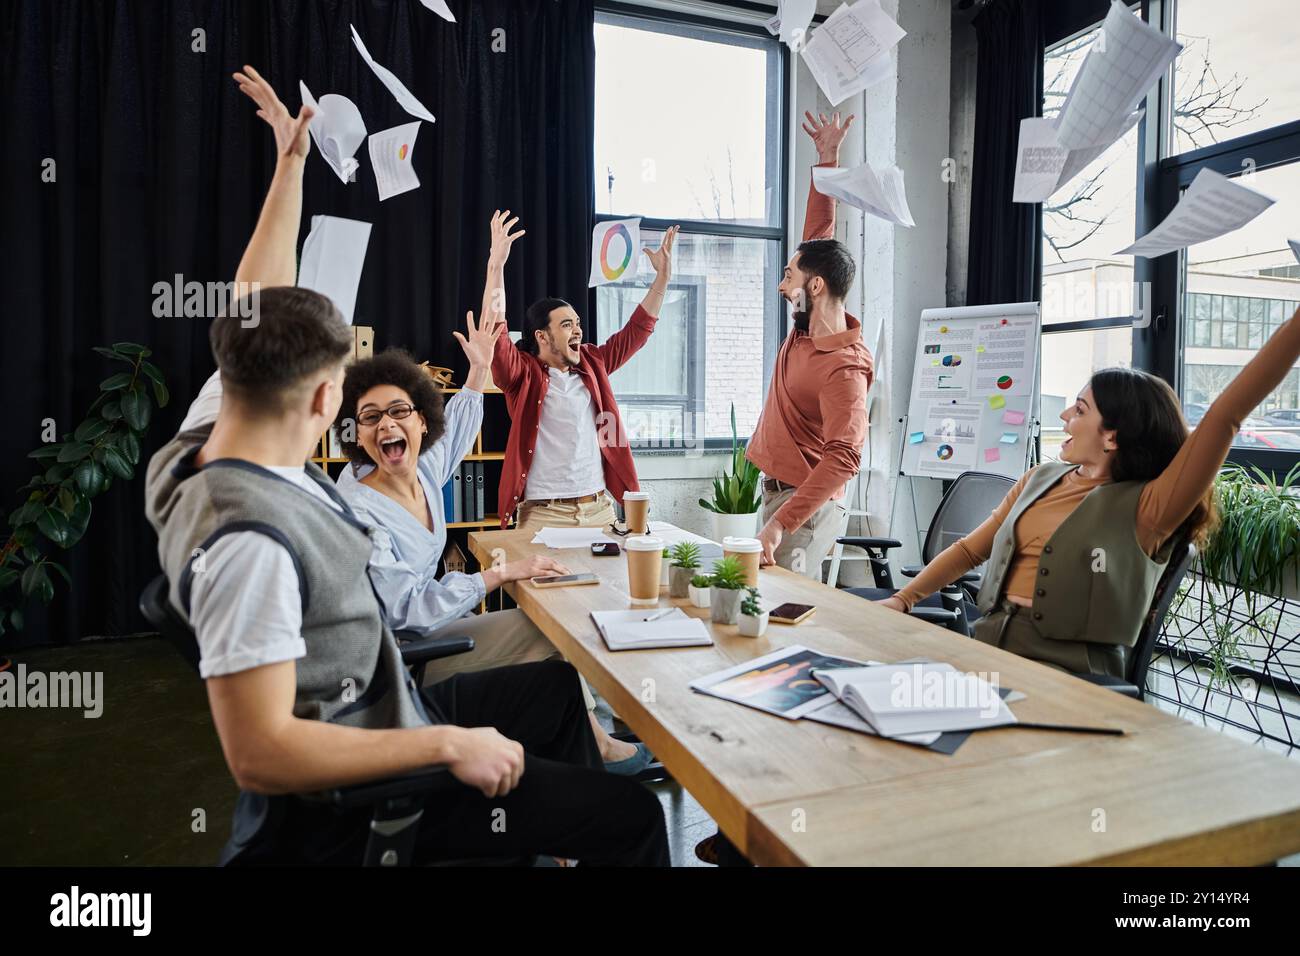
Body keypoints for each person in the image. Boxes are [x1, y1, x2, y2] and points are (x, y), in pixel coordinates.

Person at [143, 66, 668, 865]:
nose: (388, 422)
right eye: (367, 409)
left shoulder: (206, 441)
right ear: (332, 406)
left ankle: (544, 836)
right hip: (373, 780)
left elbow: (254, 302)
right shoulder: (249, 543)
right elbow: (261, 755)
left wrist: (291, 165)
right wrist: (447, 746)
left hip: (395, 700)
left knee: (558, 687)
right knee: (631, 817)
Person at [879, 300, 1300, 678]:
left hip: (1071, 671)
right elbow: (970, 551)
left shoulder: (1150, 508)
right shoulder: (1038, 479)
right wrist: (903, 600)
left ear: (1112, 436)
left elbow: (1225, 416)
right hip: (989, 647)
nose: (1064, 415)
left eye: (1080, 410)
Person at [332, 332, 652, 772]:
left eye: (399, 411)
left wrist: (479, 370)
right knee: (550, 633)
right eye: (370, 417)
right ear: (356, 433)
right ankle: (595, 746)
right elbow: (405, 611)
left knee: (553, 629)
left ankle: (585, 739)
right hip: (394, 659)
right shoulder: (359, 506)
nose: (386, 424)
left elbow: (457, 435)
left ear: (422, 421)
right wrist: (498, 575)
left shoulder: (421, 472)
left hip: (427, 633)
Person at [488, 214, 679, 533]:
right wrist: (495, 266)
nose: (577, 330)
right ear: (541, 336)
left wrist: (662, 278)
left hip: (598, 510)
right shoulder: (522, 374)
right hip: (544, 514)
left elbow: (636, 331)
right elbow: (497, 334)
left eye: (577, 323)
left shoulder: (593, 362)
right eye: (567, 325)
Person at [745, 111, 873, 582]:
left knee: (784, 609)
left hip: (804, 508)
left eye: (788, 277)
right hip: (778, 494)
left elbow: (844, 458)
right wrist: (828, 159)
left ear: (815, 287)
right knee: (765, 604)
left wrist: (782, 523)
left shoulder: (845, 369)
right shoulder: (804, 327)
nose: (782, 286)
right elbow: (819, 233)